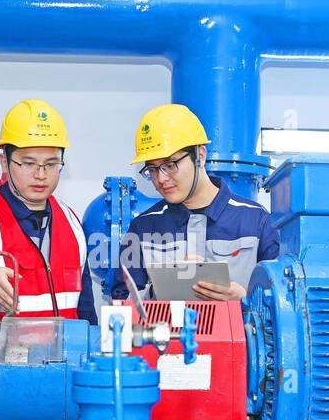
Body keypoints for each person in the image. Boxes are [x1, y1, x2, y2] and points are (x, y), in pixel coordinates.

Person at [0, 99, 96, 323]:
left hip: (66, 356)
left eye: (51, 164)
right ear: (4, 162)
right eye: (29, 164)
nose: (41, 175)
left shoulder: (71, 220)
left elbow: (85, 307)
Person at [113, 103, 279, 303]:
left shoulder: (256, 220)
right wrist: (162, 291)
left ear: (200, 155)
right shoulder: (143, 227)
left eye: (169, 165)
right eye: (153, 170)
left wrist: (245, 298)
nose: (161, 179)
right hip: (167, 335)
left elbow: (281, 299)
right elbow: (120, 305)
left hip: (238, 334)